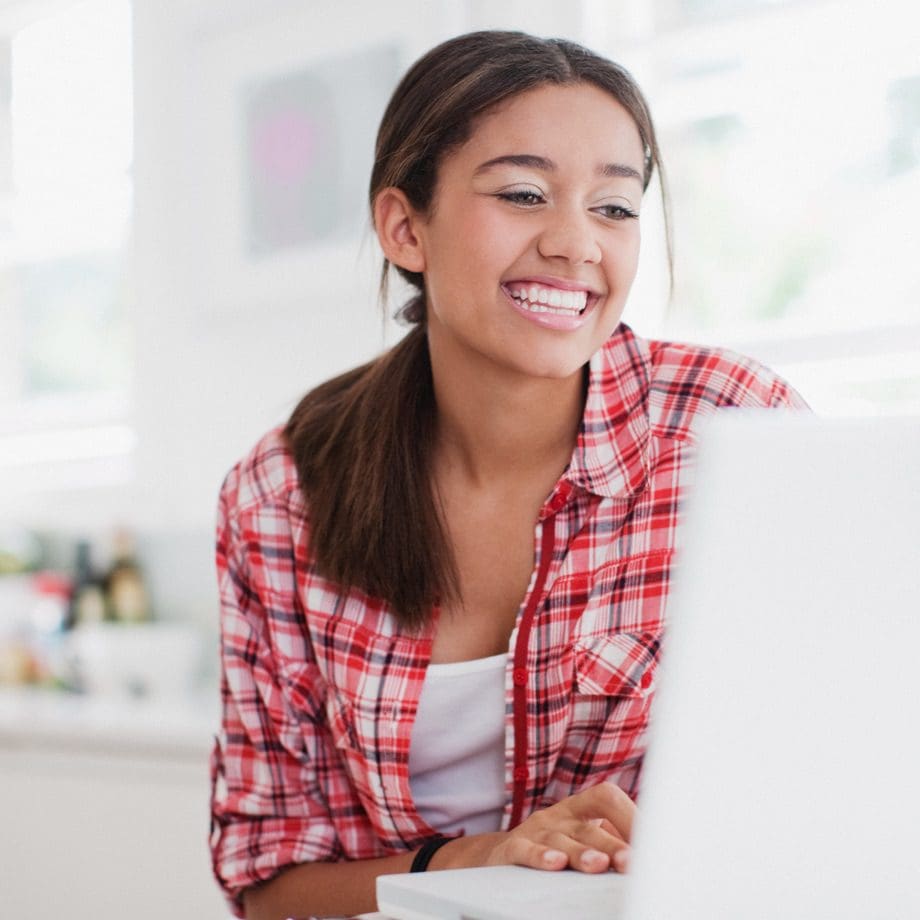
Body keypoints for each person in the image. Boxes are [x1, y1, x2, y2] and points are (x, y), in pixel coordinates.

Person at [209, 30, 807, 920]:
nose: (575, 244)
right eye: (524, 194)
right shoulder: (281, 494)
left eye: (614, 207)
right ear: (405, 227)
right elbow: (269, 888)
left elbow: (825, 783)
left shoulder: (732, 430)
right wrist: (483, 860)